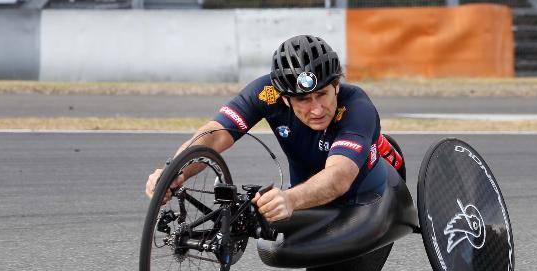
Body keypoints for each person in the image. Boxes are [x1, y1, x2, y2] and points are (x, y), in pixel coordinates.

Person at [145, 35, 403, 223]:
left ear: (336, 85)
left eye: (322, 94)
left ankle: (379, 146)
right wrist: (174, 171)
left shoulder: (357, 106)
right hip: (307, 186)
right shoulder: (266, 93)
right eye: (303, 99)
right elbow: (214, 136)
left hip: (360, 191)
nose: (316, 109)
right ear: (285, 98)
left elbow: (339, 176)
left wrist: (290, 199)